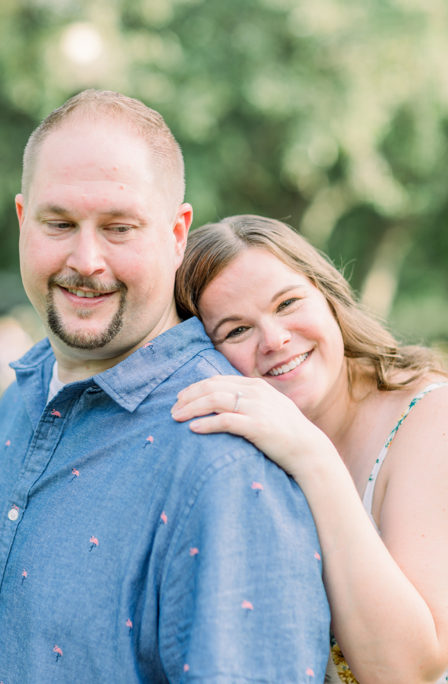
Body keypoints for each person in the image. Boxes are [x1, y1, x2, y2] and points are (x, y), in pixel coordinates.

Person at [0, 89, 330, 682]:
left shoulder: (225, 461)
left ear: (177, 235)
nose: (86, 259)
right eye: (60, 223)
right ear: (24, 221)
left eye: (119, 228)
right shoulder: (21, 395)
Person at [172, 214, 448, 683]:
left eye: (288, 302)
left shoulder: (430, 419)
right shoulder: (231, 453)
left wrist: (313, 457)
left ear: (328, 296)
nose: (275, 339)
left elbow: (411, 672)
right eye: (236, 330)